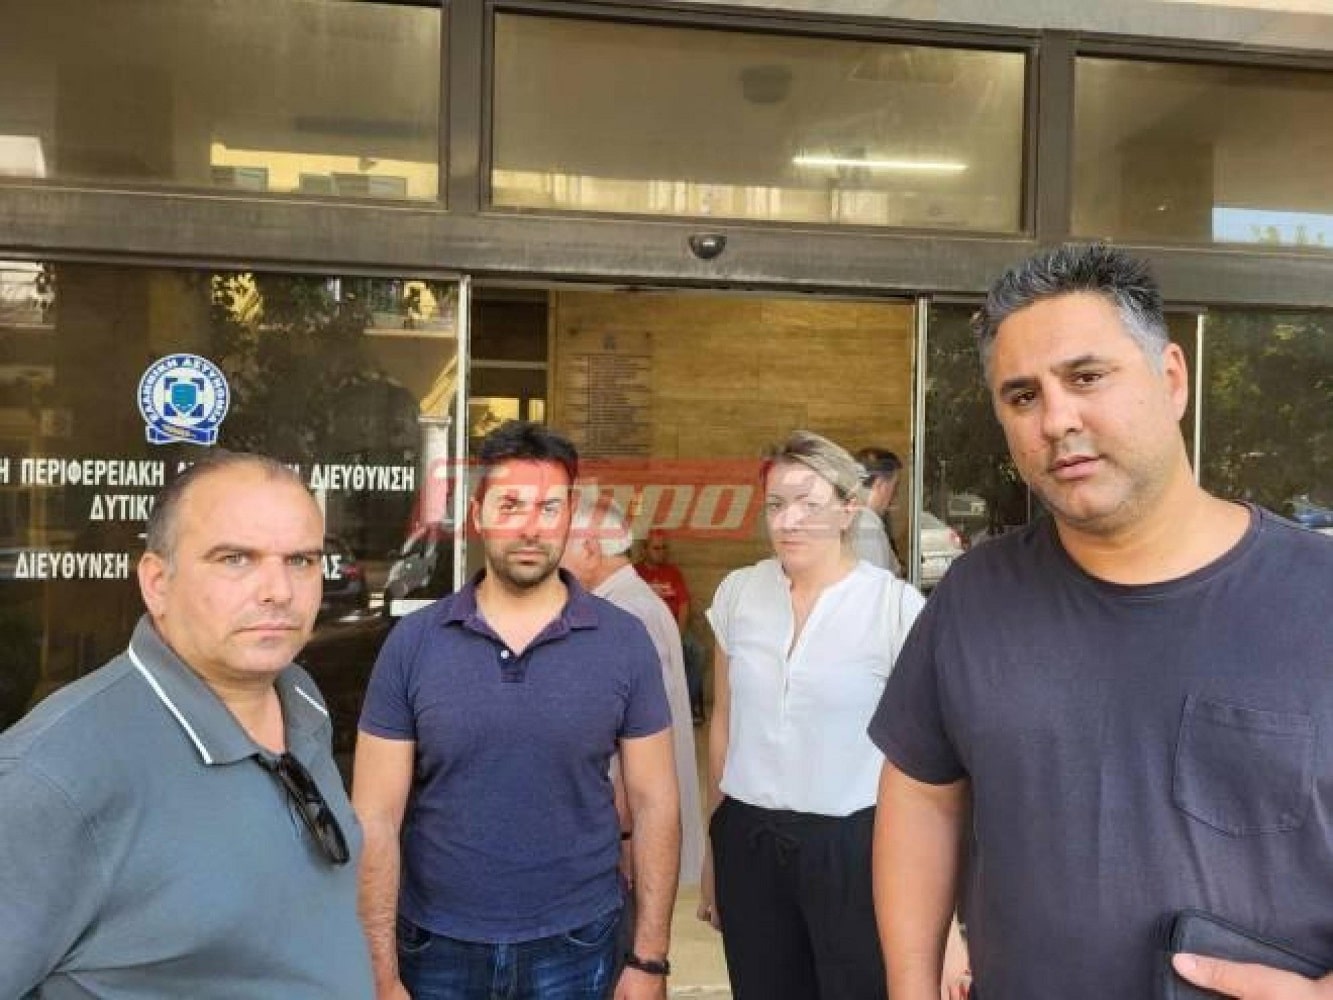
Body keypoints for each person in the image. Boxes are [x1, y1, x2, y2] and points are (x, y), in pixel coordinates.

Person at [870, 243, 1333, 1000]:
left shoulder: (1317, 597)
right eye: (1022, 396)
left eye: (1086, 377)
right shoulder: (975, 597)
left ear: (1171, 379)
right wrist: (911, 987)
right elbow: (922, 793)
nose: (1056, 420)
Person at [0, 450, 373, 998]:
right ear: (157, 581)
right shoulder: (52, 777)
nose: (279, 590)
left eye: (301, 560)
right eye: (235, 559)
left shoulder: (300, 699)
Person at [353, 420, 681, 1000]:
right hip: (434, 946)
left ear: (570, 516)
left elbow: (656, 804)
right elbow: (375, 817)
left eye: (549, 507)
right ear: (477, 515)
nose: (530, 527)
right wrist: (380, 971)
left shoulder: (625, 642)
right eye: (510, 505)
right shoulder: (414, 644)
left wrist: (649, 959)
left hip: (580, 943)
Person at [699, 429, 926, 1000]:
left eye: (808, 503)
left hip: (852, 846)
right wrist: (712, 851)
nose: (788, 521)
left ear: (849, 509)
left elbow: (923, 762)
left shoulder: (894, 607)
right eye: (776, 505)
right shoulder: (739, 593)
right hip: (748, 838)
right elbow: (724, 724)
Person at [562, 492, 705, 891]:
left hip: (623, 838)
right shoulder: (626, 602)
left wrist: (627, 833)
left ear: (590, 548)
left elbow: (637, 735)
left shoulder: (628, 611)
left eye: (560, 546)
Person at [635, 530, 706, 722]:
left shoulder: (673, 572)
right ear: (644, 549)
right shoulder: (635, 573)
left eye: (664, 548)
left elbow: (684, 605)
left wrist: (678, 634)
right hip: (645, 631)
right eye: (656, 548)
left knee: (697, 652)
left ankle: (685, 706)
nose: (661, 552)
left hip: (673, 629)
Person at [851, 446, 904, 576]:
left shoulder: (846, 519)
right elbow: (875, 585)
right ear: (881, 485)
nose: (895, 495)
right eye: (895, 486)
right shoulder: (868, 531)